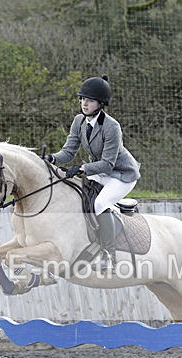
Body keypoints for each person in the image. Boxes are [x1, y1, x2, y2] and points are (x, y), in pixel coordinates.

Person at [44, 75, 140, 271]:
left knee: (99, 203)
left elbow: (107, 163)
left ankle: (109, 256)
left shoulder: (112, 126)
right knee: (77, 195)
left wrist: (82, 168)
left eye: (89, 100)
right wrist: (52, 159)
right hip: (100, 170)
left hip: (121, 174)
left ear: (100, 104)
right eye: (82, 99)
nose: (84, 103)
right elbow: (68, 152)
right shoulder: (79, 121)